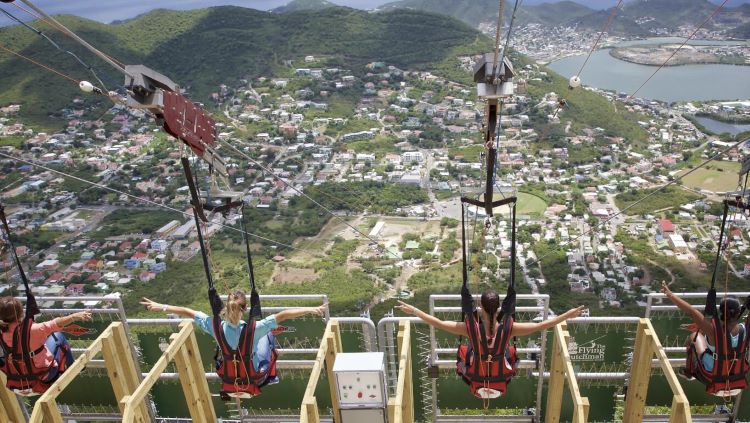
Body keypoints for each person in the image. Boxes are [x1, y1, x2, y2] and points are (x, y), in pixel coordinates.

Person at [397, 290, 585, 398]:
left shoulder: (470, 329)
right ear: (499, 307)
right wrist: (568, 314)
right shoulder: (510, 329)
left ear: (480, 307)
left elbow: (437, 323)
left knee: (468, 350)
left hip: (475, 381)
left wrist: (414, 310)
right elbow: (542, 325)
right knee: (506, 351)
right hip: (501, 383)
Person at [140, 292, 327, 385]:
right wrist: (312, 309)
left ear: (226, 308)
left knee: (259, 336)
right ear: (244, 309)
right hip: (255, 377)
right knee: (268, 334)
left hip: (229, 378)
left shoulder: (215, 327)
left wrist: (162, 306)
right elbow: (284, 315)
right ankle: (271, 377)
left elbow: (187, 312)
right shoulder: (255, 328)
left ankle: (268, 374)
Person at [661, 281, 746, 393]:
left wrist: (670, 294)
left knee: (694, 337)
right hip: (736, 378)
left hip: (712, 378)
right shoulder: (745, 330)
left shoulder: (713, 331)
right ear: (739, 312)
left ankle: (689, 372)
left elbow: (692, 312)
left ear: (721, 311)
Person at [0, 296, 91, 393]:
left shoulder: (2, 331)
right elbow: (56, 323)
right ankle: (72, 365)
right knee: (58, 335)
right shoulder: (33, 330)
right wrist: (75, 316)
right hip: (44, 376)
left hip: (17, 381)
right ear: (20, 313)